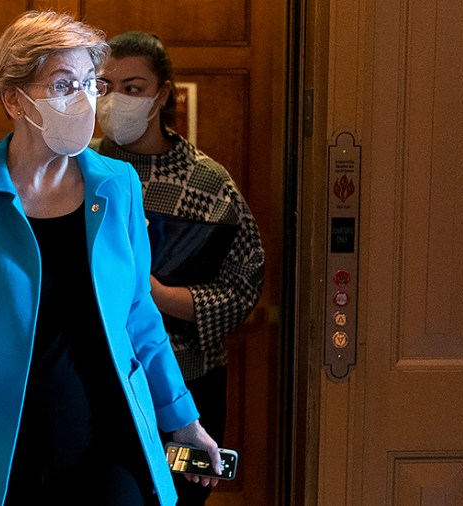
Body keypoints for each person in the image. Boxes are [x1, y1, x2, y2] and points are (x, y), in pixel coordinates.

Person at [0, 11, 221, 506]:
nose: (84, 98)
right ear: (14, 100)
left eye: (90, 82)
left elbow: (139, 316)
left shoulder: (118, 185)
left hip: (109, 439)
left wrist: (183, 418)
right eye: (63, 84)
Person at [93, 31, 266, 505]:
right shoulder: (74, 170)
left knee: (180, 498)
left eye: (132, 88)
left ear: (162, 93)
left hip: (190, 380)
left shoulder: (208, 184)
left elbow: (244, 288)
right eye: (104, 86)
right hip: (97, 375)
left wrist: (155, 295)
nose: (115, 100)